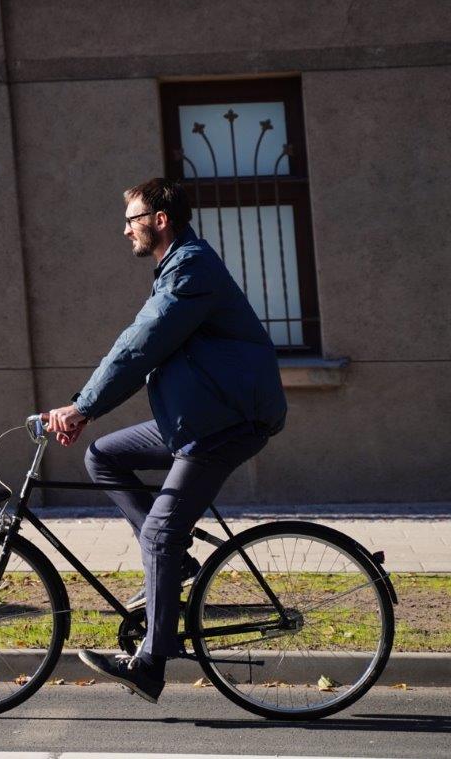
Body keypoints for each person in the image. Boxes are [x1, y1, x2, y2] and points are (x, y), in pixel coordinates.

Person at [45, 177, 287, 703]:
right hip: (196, 417)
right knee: (103, 456)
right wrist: (88, 412)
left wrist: (82, 407)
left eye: (132, 219)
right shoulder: (175, 269)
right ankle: (175, 565)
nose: (126, 230)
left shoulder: (190, 269)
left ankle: (151, 663)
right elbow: (142, 349)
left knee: (158, 531)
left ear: (160, 219)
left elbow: (140, 346)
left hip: (228, 421)